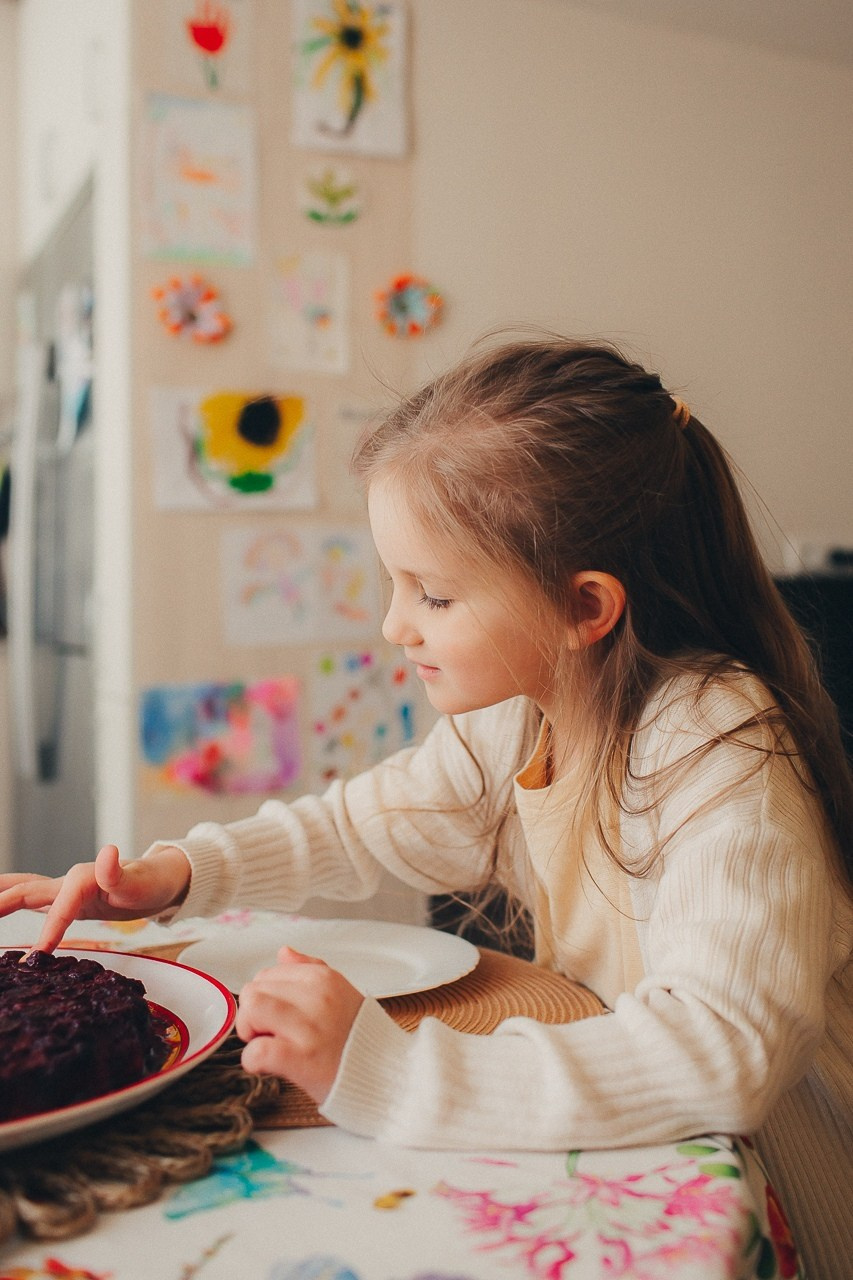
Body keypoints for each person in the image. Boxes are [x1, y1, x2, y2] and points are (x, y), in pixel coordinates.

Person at [1, 336, 851, 1276]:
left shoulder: (715, 740)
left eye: (434, 595)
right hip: (614, 1116)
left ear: (585, 608)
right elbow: (363, 823)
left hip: (765, 1169)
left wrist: (392, 1072)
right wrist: (178, 874)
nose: (393, 625)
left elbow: (723, 1053)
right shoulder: (524, 712)